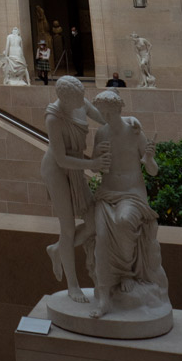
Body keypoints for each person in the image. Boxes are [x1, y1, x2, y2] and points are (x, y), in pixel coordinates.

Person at [88, 89, 168, 320]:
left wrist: (149, 158)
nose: (105, 117)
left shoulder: (134, 130)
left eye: (108, 113)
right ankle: (104, 298)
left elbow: (153, 171)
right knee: (102, 238)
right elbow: (94, 167)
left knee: (124, 221)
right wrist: (97, 159)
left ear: (118, 110)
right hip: (107, 193)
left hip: (132, 194)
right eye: (102, 113)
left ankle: (126, 273)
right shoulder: (101, 133)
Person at [41, 75, 106, 303]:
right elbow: (60, 158)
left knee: (93, 223)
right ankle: (73, 285)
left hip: (76, 167)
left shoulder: (80, 101)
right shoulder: (54, 117)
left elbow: (105, 120)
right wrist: (92, 164)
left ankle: (57, 249)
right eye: (77, 98)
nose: (82, 101)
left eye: (82, 96)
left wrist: (126, 124)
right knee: (67, 227)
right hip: (57, 170)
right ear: (65, 99)